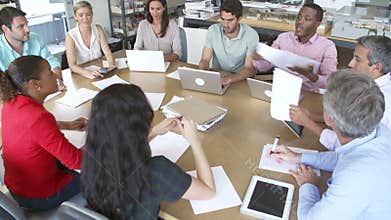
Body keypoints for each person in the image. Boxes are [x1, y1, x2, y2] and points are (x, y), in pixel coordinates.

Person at [81, 84, 216, 219]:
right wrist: (194, 141)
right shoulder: (156, 171)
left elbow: (121, 145)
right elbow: (208, 191)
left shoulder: (92, 155)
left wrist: (154, 132)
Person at [272, 69, 391, 219]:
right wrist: (299, 157)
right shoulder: (380, 131)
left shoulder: (356, 176)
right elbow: (342, 158)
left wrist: (308, 184)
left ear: (329, 118)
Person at [0, 55, 87, 211]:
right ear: (35, 85)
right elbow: (75, 161)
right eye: (49, 73)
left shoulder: (11, 102)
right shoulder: (38, 117)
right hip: (40, 196)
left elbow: (30, 131)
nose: (55, 75)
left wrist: (67, 125)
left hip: (18, 187)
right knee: (101, 167)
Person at [290, 35, 391, 150]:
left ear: (377, 67)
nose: (350, 64)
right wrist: (313, 117)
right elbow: (346, 118)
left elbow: (349, 147)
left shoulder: (379, 101)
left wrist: (308, 123)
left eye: (357, 59)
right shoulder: (367, 85)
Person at [253, 3, 337, 93]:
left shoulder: (327, 46)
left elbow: (330, 82)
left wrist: (313, 77)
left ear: (317, 24)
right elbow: (266, 65)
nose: (300, 22)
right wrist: (257, 59)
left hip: (307, 94)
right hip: (280, 91)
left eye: (307, 19)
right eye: (299, 17)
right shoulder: (283, 38)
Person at [0, 6, 64, 89]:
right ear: (5, 29)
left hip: (40, 90)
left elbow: (52, 62)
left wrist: (57, 81)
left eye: (27, 24)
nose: (27, 29)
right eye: (21, 26)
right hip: (14, 96)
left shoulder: (35, 38)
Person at [199, 0, 259, 85]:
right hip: (218, 77)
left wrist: (229, 79)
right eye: (223, 19)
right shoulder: (213, 30)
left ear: (239, 19)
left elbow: (250, 69)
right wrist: (204, 74)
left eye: (230, 20)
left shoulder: (251, 35)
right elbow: (205, 60)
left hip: (239, 79)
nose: (225, 24)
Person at [65, 1, 115, 79]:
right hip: (81, 75)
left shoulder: (98, 29)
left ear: (92, 14)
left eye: (88, 14)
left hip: (99, 71)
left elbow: (107, 52)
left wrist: (111, 65)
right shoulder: (70, 36)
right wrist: (88, 73)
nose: (85, 18)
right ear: (75, 17)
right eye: (81, 15)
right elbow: (72, 65)